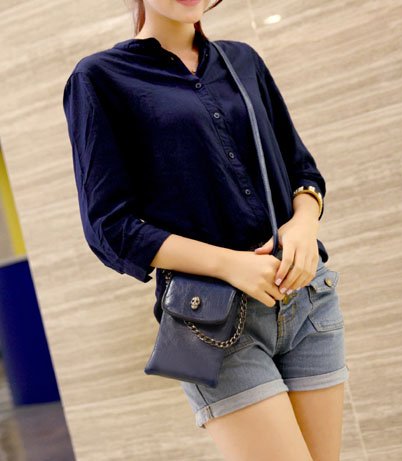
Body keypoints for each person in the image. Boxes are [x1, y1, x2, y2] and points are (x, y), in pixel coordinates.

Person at [62, 1, 350, 459]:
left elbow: (303, 172)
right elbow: (110, 227)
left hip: (306, 299)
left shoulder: (243, 60)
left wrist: (302, 224)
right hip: (213, 321)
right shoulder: (99, 78)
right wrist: (229, 265)